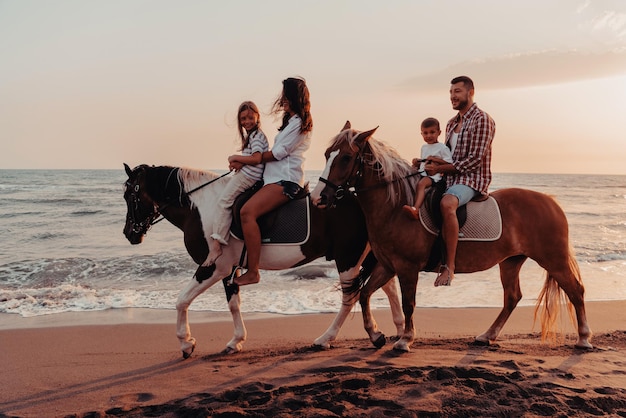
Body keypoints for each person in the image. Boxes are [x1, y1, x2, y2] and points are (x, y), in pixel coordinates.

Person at [234, 77, 313, 286]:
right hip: (273, 179)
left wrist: (252, 159)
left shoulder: (299, 124)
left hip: (285, 181)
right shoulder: (291, 122)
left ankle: (253, 271)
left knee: (247, 212)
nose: (282, 100)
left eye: (286, 96)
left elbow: (278, 153)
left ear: (295, 97)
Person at [423, 76, 495, 287]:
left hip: (472, 179)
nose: (453, 97)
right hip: (449, 177)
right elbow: (448, 156)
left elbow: (473, 160)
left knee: (447, 203)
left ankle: (449, 267)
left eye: (457, 92)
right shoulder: (451, 123)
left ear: (470, 93)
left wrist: (439, 169)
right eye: (451, 93)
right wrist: (428, 162)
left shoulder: (482, 119)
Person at [204, 101, 269, 266]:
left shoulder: (257, 136)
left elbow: (257, 158)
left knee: (223, 202)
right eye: (243, 119)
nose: (246, 122)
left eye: (250, 118)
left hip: (249, 177)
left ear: (257, 116)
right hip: (247, 173)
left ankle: (217, 245)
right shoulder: (252, 136)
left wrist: (235, 158)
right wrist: (240, 163)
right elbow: (253, 159)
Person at [402, 117, 453, 220]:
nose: (429, 136)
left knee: (421, 184)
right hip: (422, 173)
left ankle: (416, 209)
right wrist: (418, 161)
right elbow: (424, 162)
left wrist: (435, 159)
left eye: (432, 132)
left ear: (439, 132)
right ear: (421, 134)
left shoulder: (442, 148)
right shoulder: (424, 147)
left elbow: (449, 163)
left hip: (434, 176)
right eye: (425, 133)